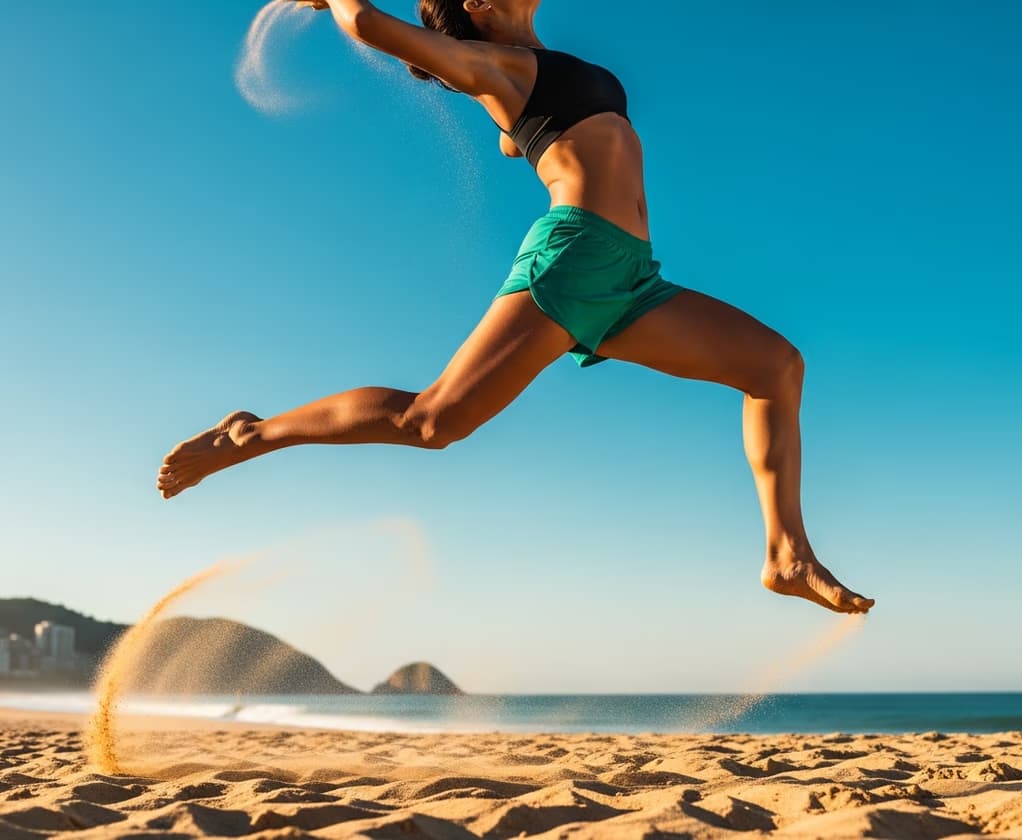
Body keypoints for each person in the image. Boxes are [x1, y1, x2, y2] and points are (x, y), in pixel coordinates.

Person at [157, 0, 875, 615]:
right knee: (431, 421)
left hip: (630, 276)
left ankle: (786, 553)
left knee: (775, 366)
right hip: (574, 258)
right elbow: (369, 25)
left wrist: (518, 126)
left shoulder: (523, 71)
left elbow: (513, 139)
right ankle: (251, 434)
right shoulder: (496, 65)